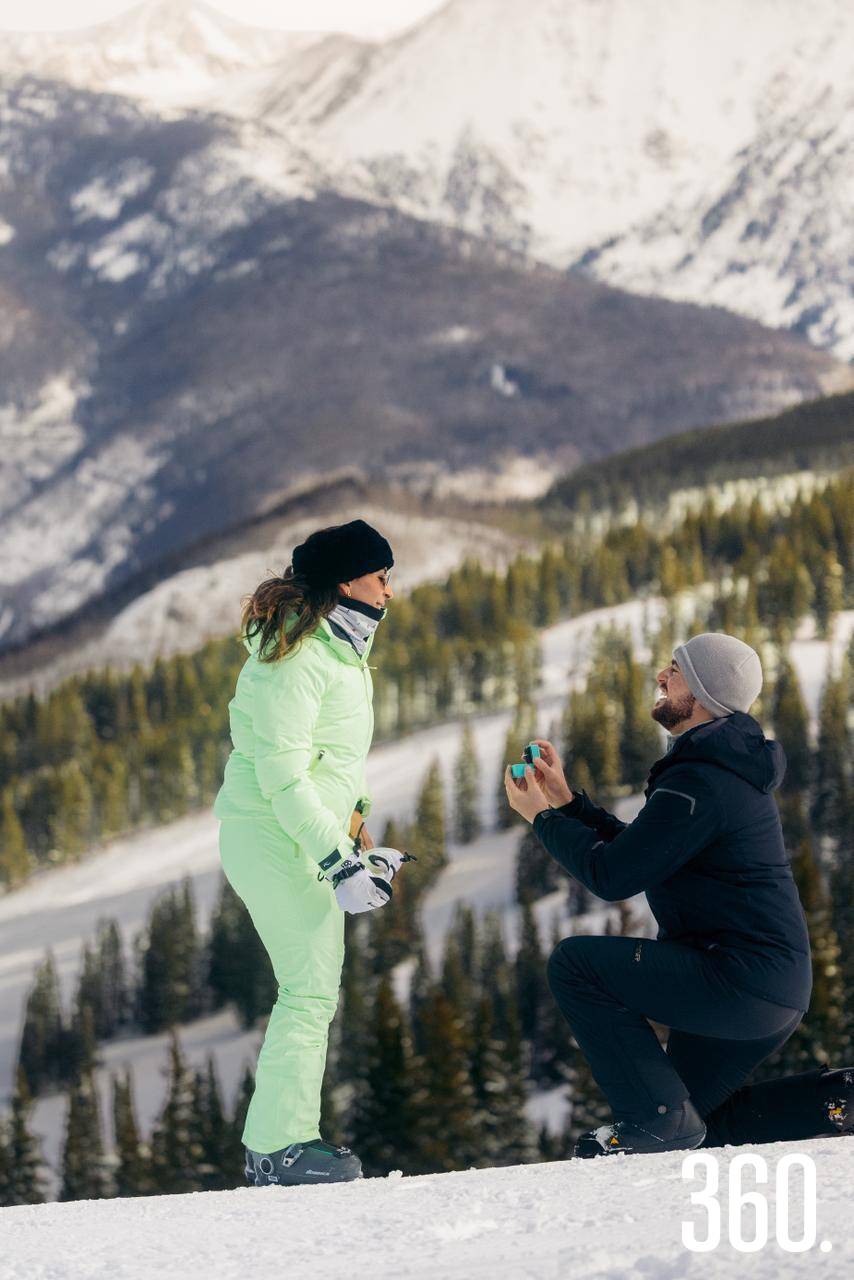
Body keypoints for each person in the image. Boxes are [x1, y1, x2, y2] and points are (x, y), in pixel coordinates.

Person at [506, 632, 853, 1157]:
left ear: (708, 694)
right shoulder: (714, 770)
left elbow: (613, 877)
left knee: (577, 964)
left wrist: (542, 819)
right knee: (702, 1122)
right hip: (768, 988)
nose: (663, 677)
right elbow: (641, 852)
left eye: (677, 670)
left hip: (739, 979)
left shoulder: (702, 779)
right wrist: (568, 804)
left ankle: (654, 1122)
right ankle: (838, 1101)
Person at [213, 519, 406, 1186]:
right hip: (271, 831)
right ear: (346, 580)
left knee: (313, 989)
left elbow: (332, 763)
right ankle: (279, 1148)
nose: (388, 591)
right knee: (308, 990)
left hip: (299, 831)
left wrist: (355, 833)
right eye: (382, 575)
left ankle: (281, 1145)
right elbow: (284, 778)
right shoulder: (295, 658)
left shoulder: (337, 653)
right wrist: (336, 862)